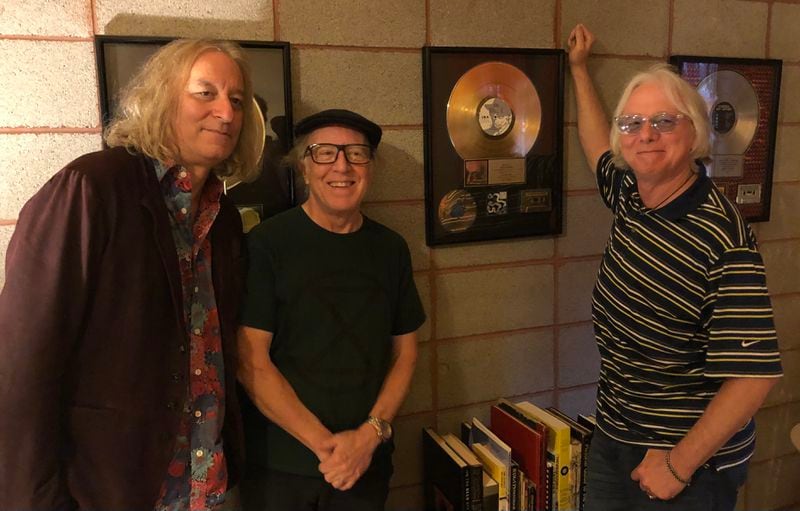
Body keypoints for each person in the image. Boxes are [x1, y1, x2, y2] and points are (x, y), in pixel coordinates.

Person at [0, 38, 263, 510]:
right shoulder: (91, 189)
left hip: (206, 486)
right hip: (108, 490)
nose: (226, 112)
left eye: (238, 100)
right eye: (205, 93)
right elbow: (21, 364)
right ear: (163, 98)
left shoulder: (223, 220)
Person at [567, 24, 782, 510]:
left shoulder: (721, 237)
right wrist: (579, 71)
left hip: (686, 467)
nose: (645, 135)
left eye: (664, 121)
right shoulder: (630, 195)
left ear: (695, 132)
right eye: (633, 123)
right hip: (614, 437)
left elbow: (755, 376)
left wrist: (677, 465)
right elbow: (596, 143)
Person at [237, 109, 426, 511]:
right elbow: (250, 361)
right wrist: (332, 449)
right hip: (280, 469)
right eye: (324, 153)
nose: (342, 165)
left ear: (370, 168)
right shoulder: (267, 244)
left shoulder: (391, 248)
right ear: (304, 168)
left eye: (356, 153)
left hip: (366, 465)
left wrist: (368, 438)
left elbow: (406, 353)